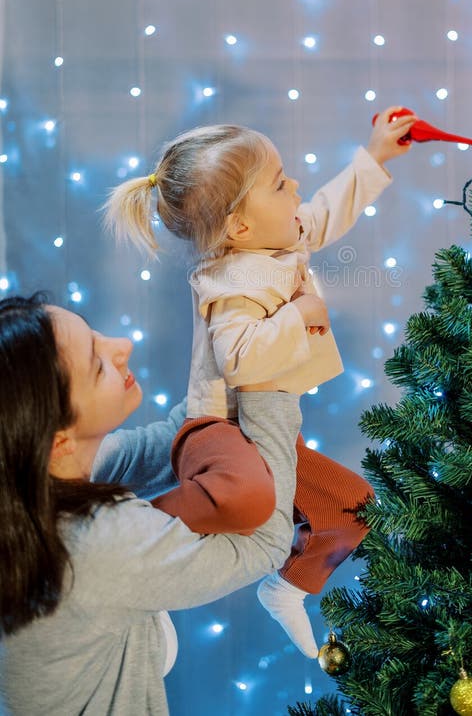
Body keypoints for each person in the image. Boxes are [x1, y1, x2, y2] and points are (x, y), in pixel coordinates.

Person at [104, 106, 417, 658]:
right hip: (223, 430)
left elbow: (321, 214)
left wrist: (374, 158)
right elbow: (241, 359)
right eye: (278, 182)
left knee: (354, 505)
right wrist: (301, 313)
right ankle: (140, 563)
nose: (294, 185)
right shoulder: (233, 280)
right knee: (243, 503)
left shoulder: (275, 239)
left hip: (268, 427)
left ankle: (288, 587)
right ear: (240, 226)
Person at [0, 293, 301, 715]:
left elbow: (176, 436)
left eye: (96, 335)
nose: (122, 345)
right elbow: (266, 544)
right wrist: (273, 378)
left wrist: (228, 316)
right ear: (58, 441)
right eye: (97, 364)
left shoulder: (23, 483)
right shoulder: (93, 545)